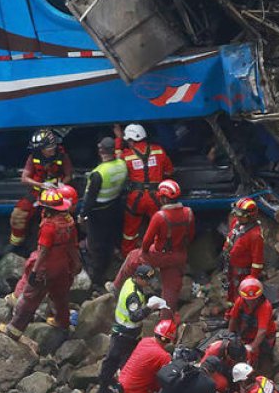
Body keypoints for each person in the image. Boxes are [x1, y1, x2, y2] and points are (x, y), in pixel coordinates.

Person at [0, 189, 80, 339]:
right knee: (60, 297)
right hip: (63, 266)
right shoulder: (69, 222)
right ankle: (63, 322)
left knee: (29, 299)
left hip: (46, 268)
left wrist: (35, 271)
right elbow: (72, 246)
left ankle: (14, 329)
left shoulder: (49, 226)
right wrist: (76, 263)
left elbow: (44, 251)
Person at [112, 179, 195, 313]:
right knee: (170, 290)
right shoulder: (189, 213)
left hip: (159, 254)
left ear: (163, 198)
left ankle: (116, 288)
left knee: (133, 257)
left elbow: (146, 241)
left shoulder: (160, 216)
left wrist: (144, 254)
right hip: (179, 256)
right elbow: (190, 236)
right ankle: (167, 318)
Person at [97, 264, 163, 393]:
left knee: (116, 359)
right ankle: (111, 389)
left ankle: (113, 385)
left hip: (126, 331)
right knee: (120, 361)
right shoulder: (133, 295)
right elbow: (135, 316)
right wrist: (149, 307)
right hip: (125, 333)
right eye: (147, 280)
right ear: (138, 278)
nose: (149, 283)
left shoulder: (130, 282)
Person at [115, 123, 175, 254]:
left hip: (136, 199)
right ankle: (160, 253)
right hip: (157, 197)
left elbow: (116, 168)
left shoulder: (126, 155)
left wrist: (118, 141)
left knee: (130, 232)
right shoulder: (159, 150)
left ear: (131, 140)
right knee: (160, 227)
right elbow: (169, 172)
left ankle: (128, 257)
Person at [9, 128, 73, 248]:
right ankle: (16, 244)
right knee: (18, 215)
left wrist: (59, 186)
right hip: (37, 192)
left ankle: (59, 244)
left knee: (60, 219)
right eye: (49, 148)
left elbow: (69, 175)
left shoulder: (62, 156)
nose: (52, 149)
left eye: (53, 146)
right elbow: (24, 178)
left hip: (56, 193)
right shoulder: (33, 157)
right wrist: (41, 185)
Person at [80, 137, 127, 286]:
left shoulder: (98, 173)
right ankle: (110, 266)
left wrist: (82, 215)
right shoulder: (122, 165)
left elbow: (90, 198)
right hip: (113, 208)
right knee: (109, 240)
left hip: (97, 213)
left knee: (96, 245)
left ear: (100, 151)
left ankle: (97, 278)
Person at [226, 277, 277, 370]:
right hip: (247, 332)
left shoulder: (265, 306)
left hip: (264, 337)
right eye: (248, 300)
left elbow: (262, 331)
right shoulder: (240, 301)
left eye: (254, 300)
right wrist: (229, 335)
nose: (251, 302)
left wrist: (252, 347)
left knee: (263, 357)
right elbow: (233, 318)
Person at [221, 197, 263, 304]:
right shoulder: (236, 223)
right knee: (230, 292)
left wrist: (251, 280)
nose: (237, 217)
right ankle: (230, 311)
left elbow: (257, 262)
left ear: (250, 216)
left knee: (240, 297)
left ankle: (237, 312)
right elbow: (230, 239)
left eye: (240, 216)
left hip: (242, 274)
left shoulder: (255, 235)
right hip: (230, 268)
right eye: (236, 214)